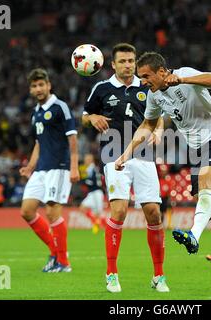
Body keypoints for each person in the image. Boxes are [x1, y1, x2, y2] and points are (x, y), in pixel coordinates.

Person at [115, 52, 211, 257]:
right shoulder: (154, 95)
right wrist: (127, 152)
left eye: (146, 76)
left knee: (206, 180)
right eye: (141, 77)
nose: (142, 81)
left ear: (162, 72)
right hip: (198, 150)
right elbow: (148, 124)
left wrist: (182, 79)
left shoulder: (185, 74)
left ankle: (194, 236)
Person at [82, 43, 168, 293]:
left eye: (131, 60)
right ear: (113, 64)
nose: (128, 65)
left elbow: (157, 115)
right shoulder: (102, 88)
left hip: (145, 156)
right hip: (113, 156)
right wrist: (92, 118)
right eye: (123, 61)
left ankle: (159, 276)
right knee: (119, 211)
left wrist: (160, 130)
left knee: (154, 213)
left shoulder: (146, 85)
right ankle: (111, 273)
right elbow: (84, 116)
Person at [19, 68, 80, 273]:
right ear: (31, 89)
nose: (38, 88)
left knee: (53, 212)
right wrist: (30, 166)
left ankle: (63, 262)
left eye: (41, 84)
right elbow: (39, 142)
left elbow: (72, 139)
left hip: (59, 167)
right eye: (34, 86)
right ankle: (55, 252)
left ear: (48, 85)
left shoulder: (59, 107)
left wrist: (74, 167)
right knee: (27, 211)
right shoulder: (36, 113)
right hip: (41, 169)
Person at [78, 153, 105, 234]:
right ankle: (96, 223)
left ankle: (106, 229)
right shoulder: (89, 169)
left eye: (87, 159)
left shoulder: (93, 169)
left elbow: (95, 182)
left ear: (91, 160)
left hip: (97, 192)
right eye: (85, 159)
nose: (85, 161)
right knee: (82, 208)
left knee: (98, 214)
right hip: (91, 193)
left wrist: (83, 181)